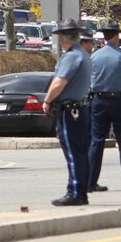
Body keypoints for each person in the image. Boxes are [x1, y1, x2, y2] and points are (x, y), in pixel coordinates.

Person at [42, 18, 92, 206]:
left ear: (63, 37)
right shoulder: (82, 54)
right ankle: (80, 190)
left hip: (71, 110)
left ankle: (75, 192)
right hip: (80, 108)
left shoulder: (71, 56)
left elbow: (59, 82)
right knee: (79, 151)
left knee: (73, 152)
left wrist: (47, 100)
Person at [87, 19, 121, 193]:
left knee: (96, 141)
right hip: (118, 100)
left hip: (98, 101)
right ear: (117, 35)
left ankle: (90, 181)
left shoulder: (94, 56)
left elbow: (89, 79)